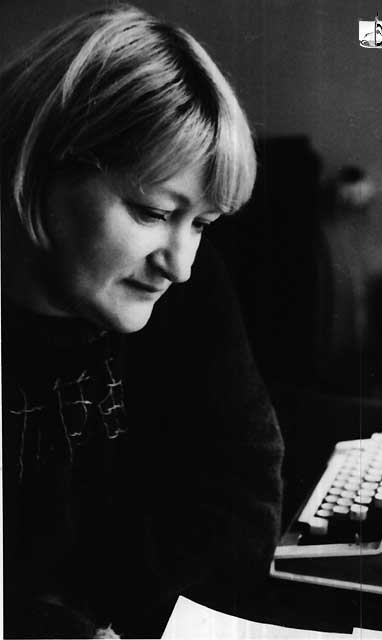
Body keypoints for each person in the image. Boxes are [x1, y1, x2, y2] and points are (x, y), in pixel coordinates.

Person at [1, 5, 284, 638]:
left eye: (202, 224)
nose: (180, 266)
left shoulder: (184, 285)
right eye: (152, 212)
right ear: (38, 168)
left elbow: (242, 503)